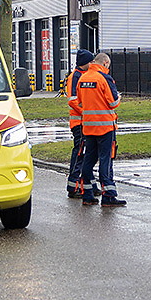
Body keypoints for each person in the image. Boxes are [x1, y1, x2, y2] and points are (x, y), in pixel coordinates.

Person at [75, 52, 125, 207]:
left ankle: (87, 195)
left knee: (88, 160)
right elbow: (113, 103)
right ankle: (108, 195)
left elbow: (80, 102)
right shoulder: (104, 78)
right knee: (105, 160)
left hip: (88, 127)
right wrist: (119, 99)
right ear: (105, 63)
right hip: (105, 126)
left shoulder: (83, 78)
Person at [65, 48, 94, 198]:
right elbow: (72, 100)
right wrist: (87, 111)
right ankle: (73, 185)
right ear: (84, 63)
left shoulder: (83, 75)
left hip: (85, 121)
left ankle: (87, 184)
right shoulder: (75, 77)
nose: (92, 64)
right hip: (79, 122)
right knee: (79, 152)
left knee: (87, 153)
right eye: (90, 61)